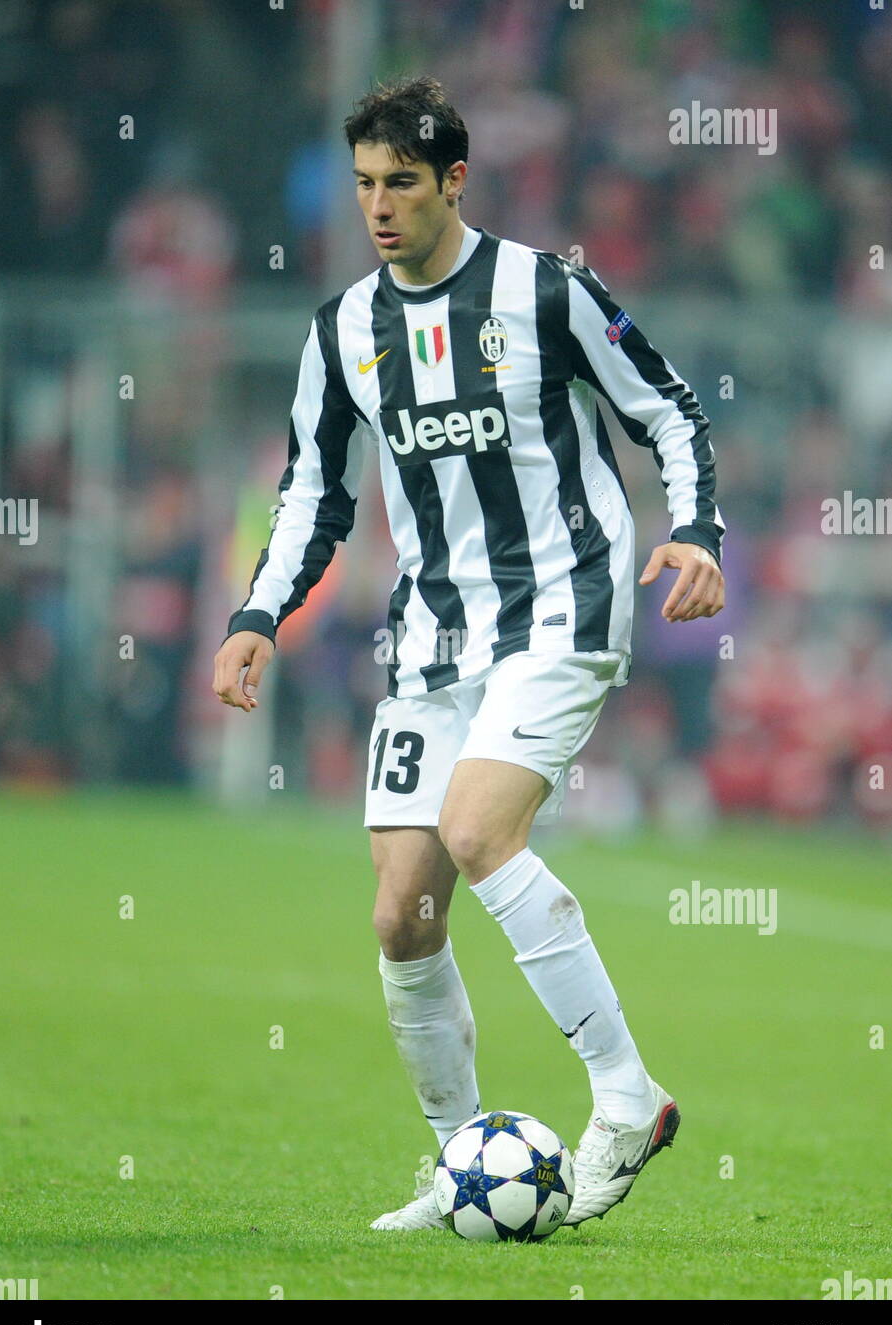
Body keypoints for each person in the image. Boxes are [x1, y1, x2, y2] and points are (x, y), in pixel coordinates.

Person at [213, 76, 725, 1232]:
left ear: (453, 180)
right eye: (363, 185)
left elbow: (668, 412)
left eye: (401, 182)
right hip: (431, 632)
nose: (379, 205)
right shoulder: (342, 330)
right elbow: (310, 494)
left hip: (562, 603)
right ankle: (457, 1162)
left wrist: (693, 531)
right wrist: (257, 615)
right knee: (403, 916)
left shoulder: (545, 291)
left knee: (478, 830)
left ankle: (624, 1095)